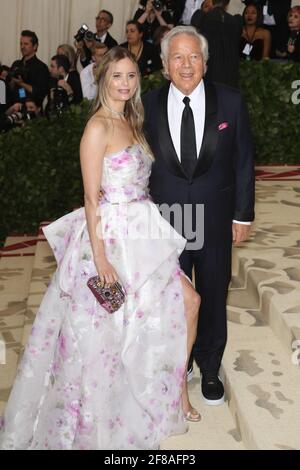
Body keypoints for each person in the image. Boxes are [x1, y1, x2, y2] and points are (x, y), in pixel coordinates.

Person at [0, 46, 201, 451]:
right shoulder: (97, 127)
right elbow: (92, 197)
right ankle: (103, 418)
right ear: (103, 79)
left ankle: (171, 389)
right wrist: (101, 258)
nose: (125, 84)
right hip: (111, 237)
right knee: (106, 336)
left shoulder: (130, 117)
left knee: (188, 301)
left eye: (131, 76)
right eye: (117, 77)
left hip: (143, 230)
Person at [143, 26, 255, 406]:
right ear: (163, 65)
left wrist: (242, 215)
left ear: (205, 62)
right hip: (165, 220)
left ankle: (209, 366)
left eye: (193, 56)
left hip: (215, 216)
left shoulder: (231, 101)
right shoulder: (146, 104)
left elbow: (243, 162)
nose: (186, 64)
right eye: (177, 57)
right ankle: (180, 361)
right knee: (171, 298)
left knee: (212, 292)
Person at [195, 0, 243, 88]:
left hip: (210, 70)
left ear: (212, 2)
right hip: (230, 71)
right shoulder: (235, 21)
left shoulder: (203, 19)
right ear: (227, 4)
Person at [9, 30, 50, 108]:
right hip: (13, 108)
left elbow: (40, 93)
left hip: (32, 111)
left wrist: (21, 83)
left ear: (35, 46)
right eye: (21, 44)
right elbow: (8, 89)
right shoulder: (16, 64)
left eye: (26, 44)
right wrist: (12, 81)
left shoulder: (41, 67)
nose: (22, 47)